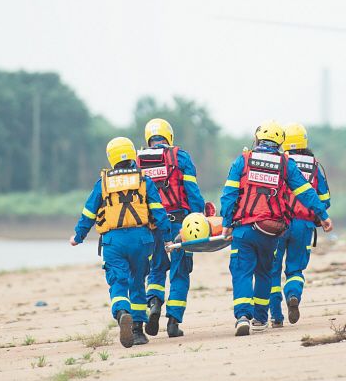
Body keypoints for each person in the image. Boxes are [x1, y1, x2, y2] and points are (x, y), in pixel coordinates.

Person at [220, 120, 333, 336]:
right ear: (279, 142)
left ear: (258, 138)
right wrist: (323, 214)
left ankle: (243, 316)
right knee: (264, 272)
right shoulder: (285, 163)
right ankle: (261, 319)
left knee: (242, 271)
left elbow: (229, 195)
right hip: (270, 230)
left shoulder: (243, 161)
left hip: (244, 228)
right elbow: (306, 191)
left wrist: (226, 224)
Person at [69, 137, 172, 348]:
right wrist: (168, 237)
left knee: (118, 282)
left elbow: (88, 213)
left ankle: (122, 312)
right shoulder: (144, 180)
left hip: (113, 241)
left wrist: (78, 237)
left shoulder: (103, 182)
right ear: (133, 154)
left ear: (111, 157)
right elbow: (158, 211)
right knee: (137, 283)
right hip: (142, 239)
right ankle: (137, 331)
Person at [136, 118, 205, 338]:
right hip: (179, 224)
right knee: (180, 272)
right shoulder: (180, 157)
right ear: (170, 136)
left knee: (156, 269)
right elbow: (192, 191)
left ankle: (154, 303)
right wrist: (199, 217)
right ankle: (173, 323)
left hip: (152, 227)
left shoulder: (137, 161)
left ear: (148, 138)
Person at [262, 123, 331, 328]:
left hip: (278, 224)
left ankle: (276, 316)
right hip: (304, 226)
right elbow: (324, 199)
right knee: (295, 270)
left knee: (272, 271)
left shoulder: (279, 162)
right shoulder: (315, 166)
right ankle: (293, 295)